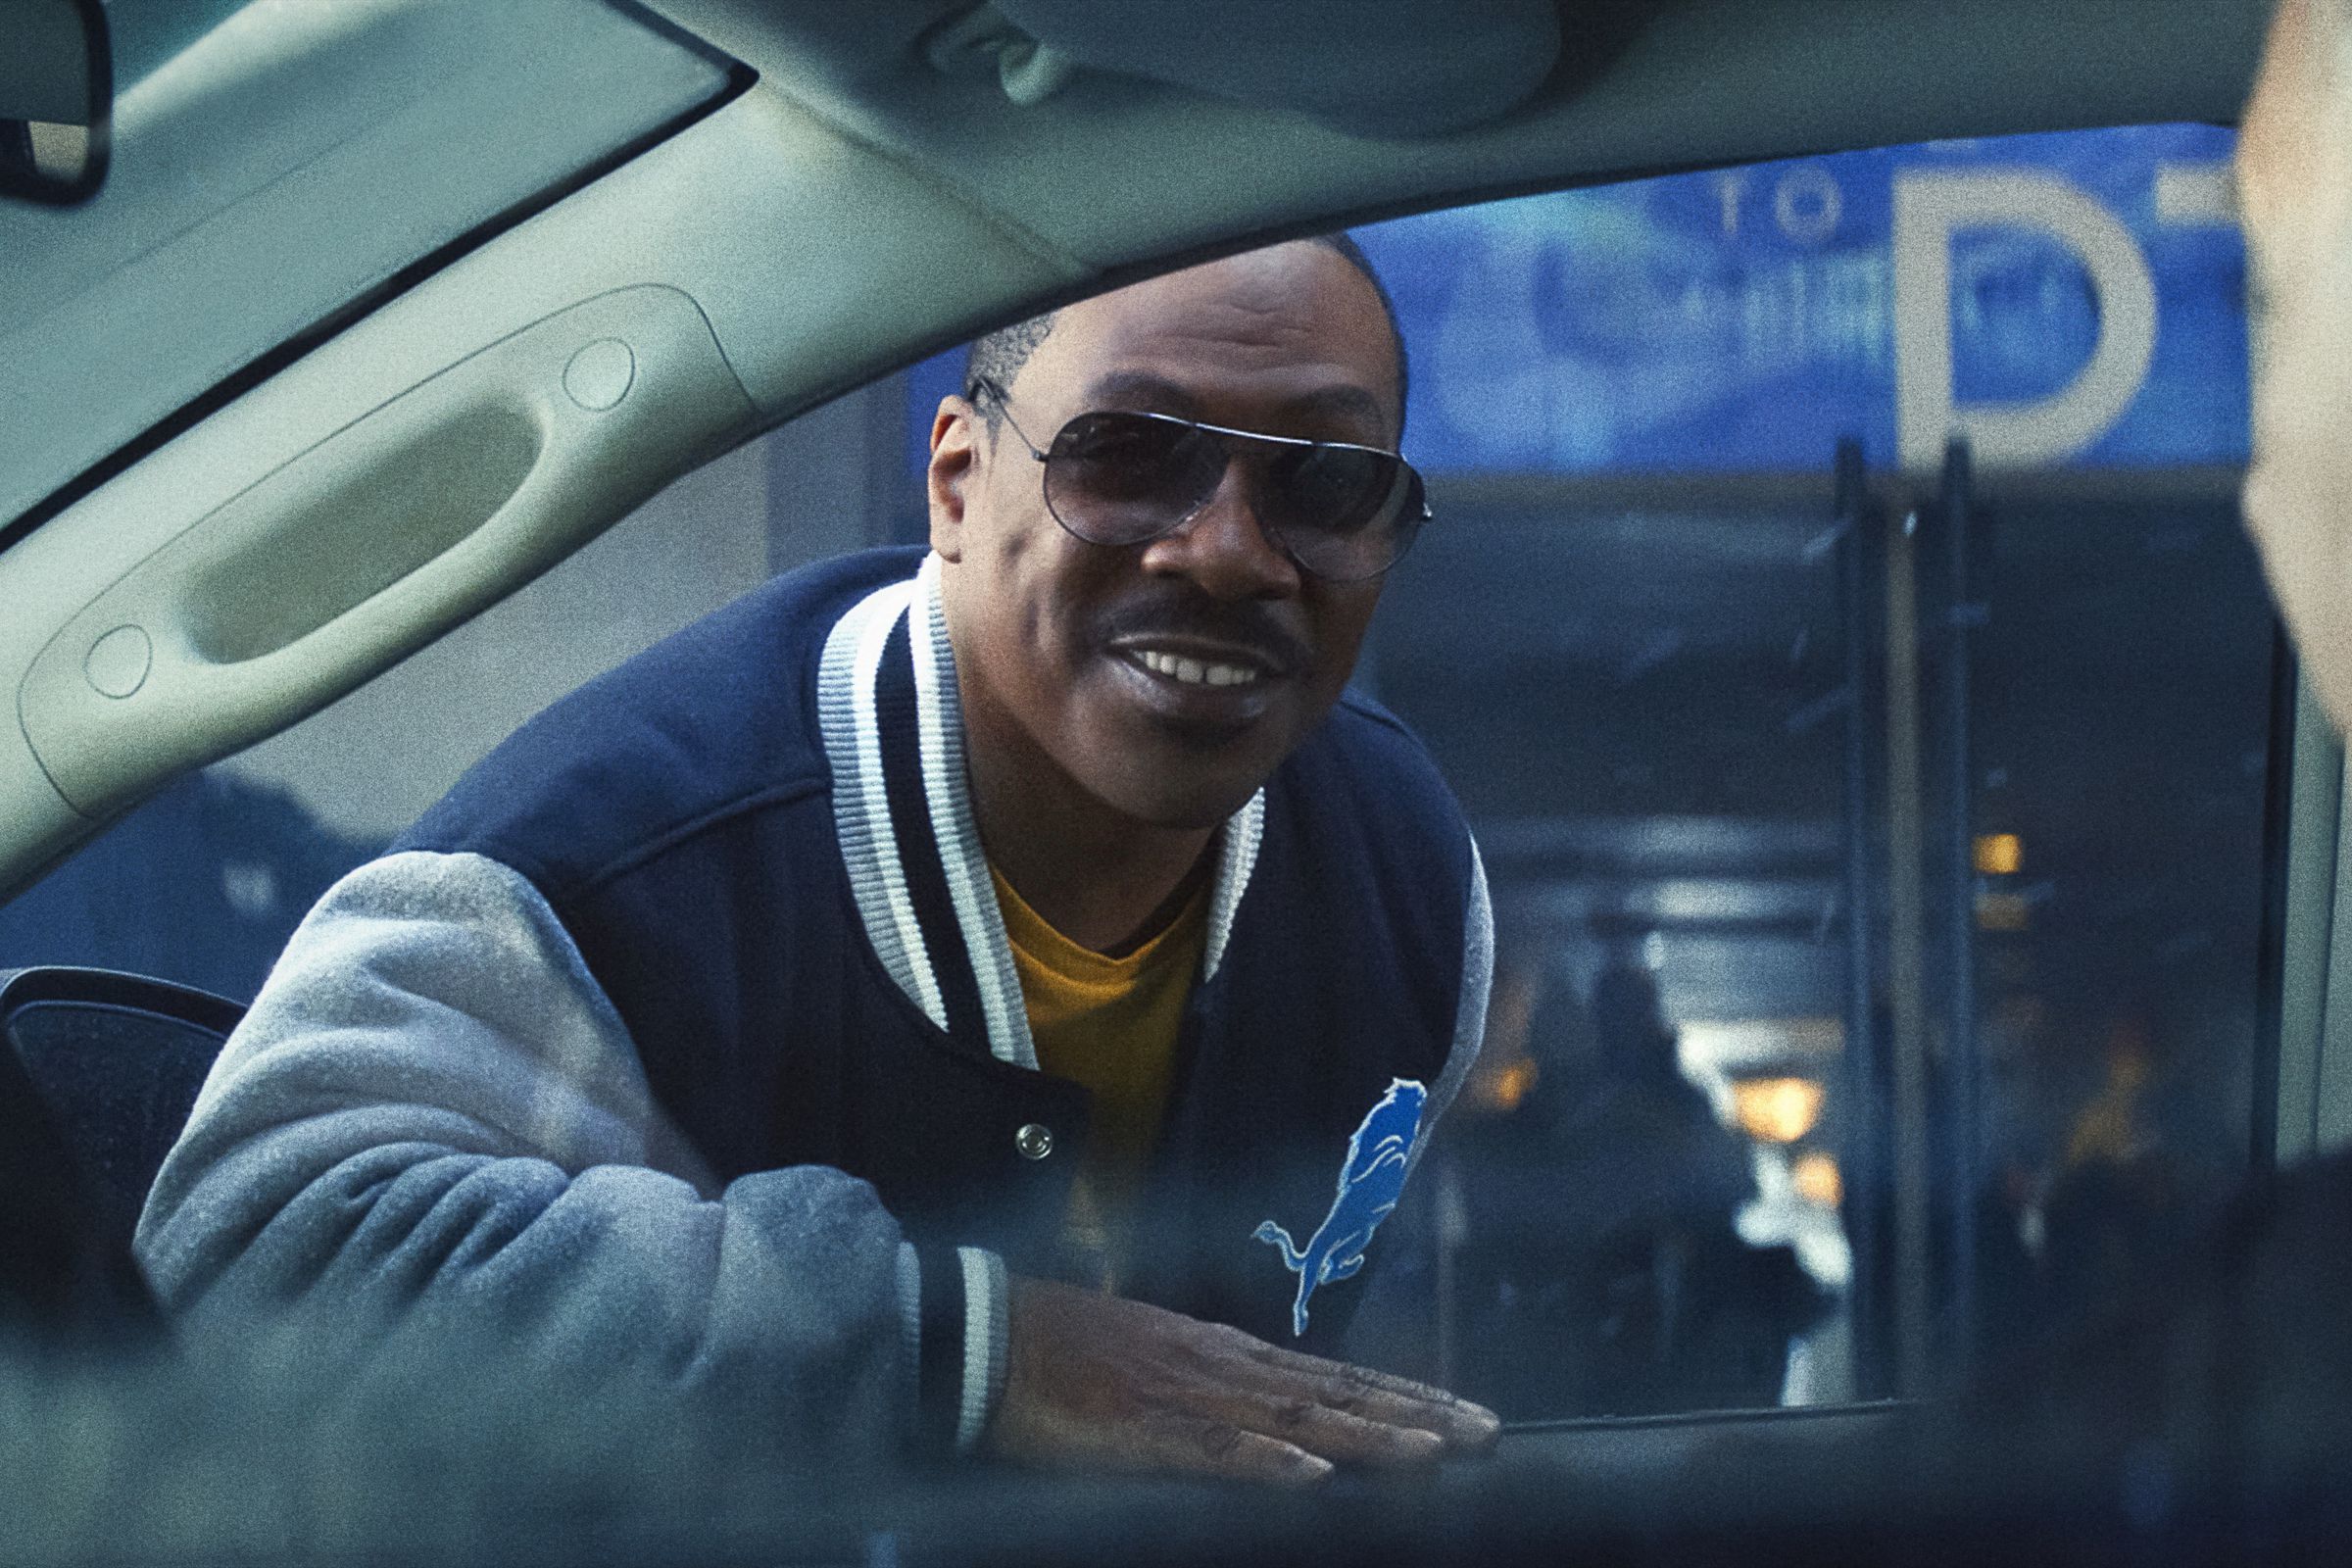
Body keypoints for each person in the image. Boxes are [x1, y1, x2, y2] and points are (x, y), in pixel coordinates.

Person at [133, 235, 1500, 1484]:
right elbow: (251, 1266)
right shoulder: (618, 862)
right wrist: (951, 1347)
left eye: (1326, 481)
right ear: (958, 483)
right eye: (1130, 455)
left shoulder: (1409, 880)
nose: (1226, 553)